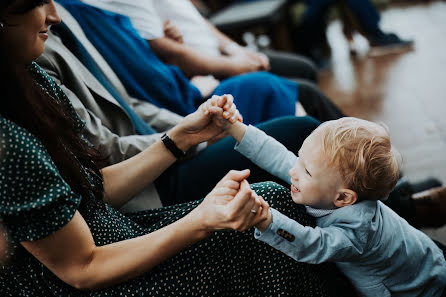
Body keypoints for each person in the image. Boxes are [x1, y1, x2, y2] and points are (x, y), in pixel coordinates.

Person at [0, 0, 357, 295]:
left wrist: (180, 138)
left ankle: (377, 245)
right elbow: (82, 267)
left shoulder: (28, 76)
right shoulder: (7, 139)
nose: (55, 14)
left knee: (271, 200)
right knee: (265, 211)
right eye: (38, 3)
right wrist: (201, 220)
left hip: (119, 231)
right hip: (99, 274)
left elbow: (93, 189)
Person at [207, 107, 446, 296]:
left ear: (343, 198)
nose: (293, 171)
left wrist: (267, 220)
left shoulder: (356, 232)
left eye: (306, 171)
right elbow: (278, 156)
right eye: (299, 158)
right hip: (426, 253)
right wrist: (233, 127)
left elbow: (312, 245)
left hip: (420, 286)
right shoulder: (320, 181)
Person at [81, 0, 319, 82]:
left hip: (219, 55)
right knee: (303, 82)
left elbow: (198, 20)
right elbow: (169, 53)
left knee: (303, 68)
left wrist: (235, 49)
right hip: (205, 74)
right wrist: (237, 67)